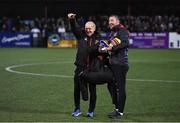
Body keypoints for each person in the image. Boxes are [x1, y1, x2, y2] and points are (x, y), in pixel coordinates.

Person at [68, 13, 101, 118]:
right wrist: (72, 20)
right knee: (77, 88)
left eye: (90, 28)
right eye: (86, 28)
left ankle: (91, 111)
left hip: (92, 68)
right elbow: (75, 28)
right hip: (80, 67)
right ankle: (77, 109)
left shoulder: (98, 38)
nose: (88, 30)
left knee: (92, 89)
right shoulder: (81, 35)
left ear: (94, 28)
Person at [101, 15, 129, 118]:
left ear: (117, 21)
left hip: (120, 64)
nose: (110, 22)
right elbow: (112, 46)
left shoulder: (122, 30)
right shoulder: (113, 33)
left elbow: (126, 43)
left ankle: (120, 112)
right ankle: (117, 108)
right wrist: (105, 48)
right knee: (111, 85)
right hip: (114, 63)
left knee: (120, 88)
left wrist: (111, 49)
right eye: (109, 21)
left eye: (112, 20)